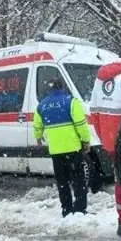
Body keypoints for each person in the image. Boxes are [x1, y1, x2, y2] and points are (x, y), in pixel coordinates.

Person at [89, 42, 121, 237]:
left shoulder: (100, 80)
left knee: (119, 180)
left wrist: (104, 138)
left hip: (111, 141)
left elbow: (94, 112)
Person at [33, 78, 92, 217]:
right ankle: (79, 209)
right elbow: (81, 124)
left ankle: (66, 209)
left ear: (50, 89)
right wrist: (86, 140)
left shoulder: (41, 105)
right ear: (63, 87)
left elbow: (37, 125)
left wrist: (38, 137)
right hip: (73, 148)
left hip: (56, 151)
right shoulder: (71, 102)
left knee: (62, 181)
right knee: (78, 180)